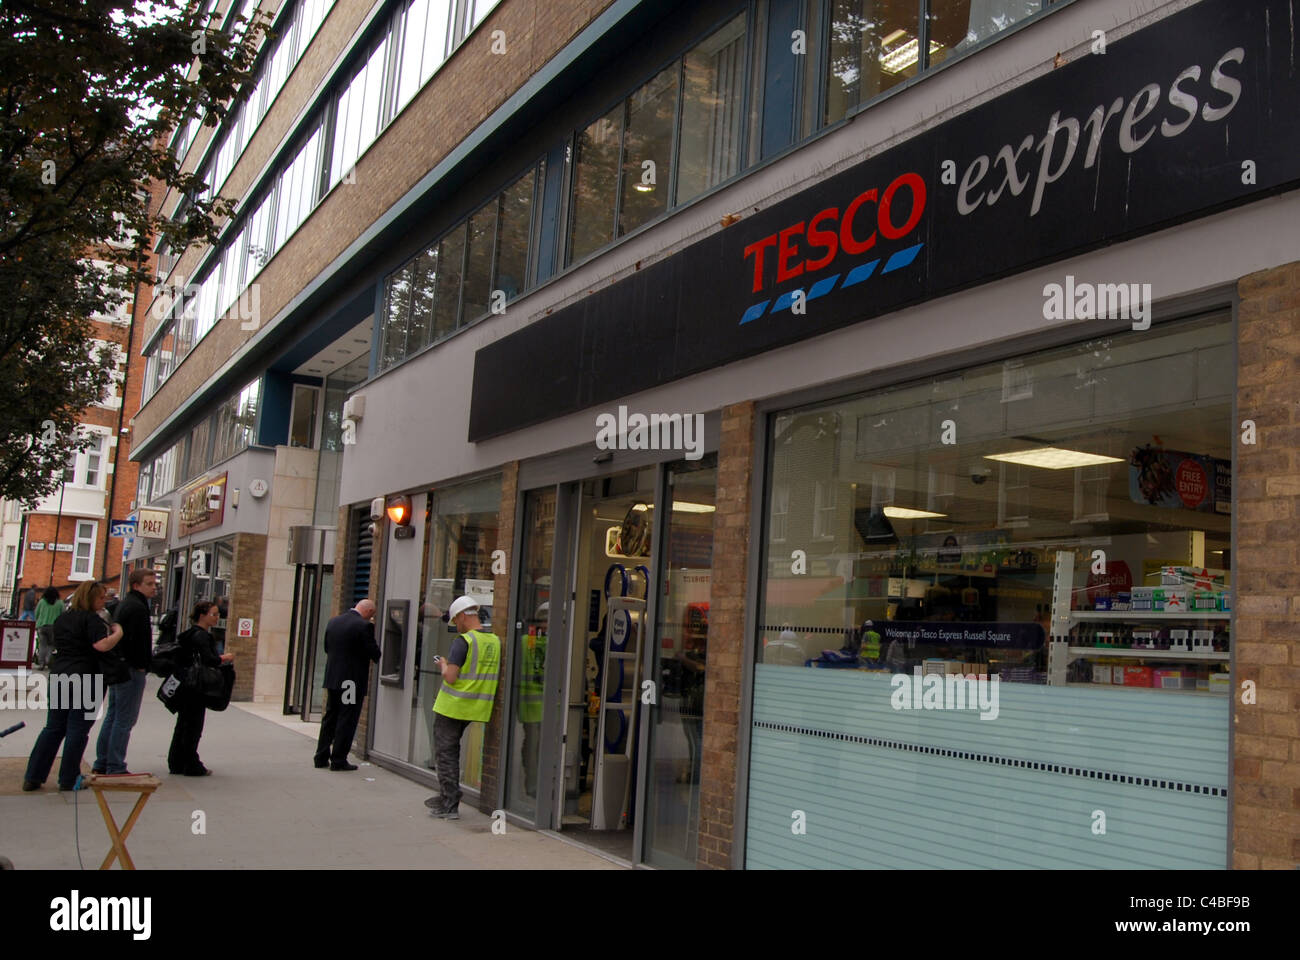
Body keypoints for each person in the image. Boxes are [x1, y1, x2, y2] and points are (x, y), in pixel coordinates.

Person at [22, 581, 124, 791]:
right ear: (90, 599)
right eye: (100, 597)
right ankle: (68, 778)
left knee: (53, 727)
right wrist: (118, 633)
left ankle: (34, 775)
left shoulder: (62, 619)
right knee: (77, 729)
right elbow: (101, 645)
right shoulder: (92, 621)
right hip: (86, 677)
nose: (104, 601)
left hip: (60, 675)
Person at [423, 596, 500, 820]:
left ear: (462, 616)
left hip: (453, 706)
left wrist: (443, 664)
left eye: (456, 621)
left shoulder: (463, 641)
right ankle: (449, 797)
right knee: (452, 751)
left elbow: (451, 677)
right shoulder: (494, 641)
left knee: (445, 754)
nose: (456, 625)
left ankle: (449, 802)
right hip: (478, 707)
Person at [92, 568, 158, 775]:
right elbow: (137, 641)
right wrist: (141, 664)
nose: (154, 587)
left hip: (120, 668)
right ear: (137, 585)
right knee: (125, 719)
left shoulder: (125, 605)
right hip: (130, 669)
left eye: (154, 583)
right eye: (149, 583)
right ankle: (115, 764)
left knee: (114, 715)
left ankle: (103, 762)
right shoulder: (137, 607)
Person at [168, 600, 234, 776]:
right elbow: (209, 660)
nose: (216, 618)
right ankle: (190, 763)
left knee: (183, 723)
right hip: (196, 687)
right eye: (213, 614)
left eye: (218, 614)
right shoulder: (203, 636)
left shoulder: (188, 634)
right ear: (202, 615)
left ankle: (176, 761)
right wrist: (225, 658)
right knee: (193, 726)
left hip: (185, 684)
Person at [314, 599, 379, 771]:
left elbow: (327, 648)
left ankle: (320, 756)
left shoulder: (334, 621)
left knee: (330, 716)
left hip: (333, 678)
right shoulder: (364, 626)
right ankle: (338, 759)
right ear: (369, 611)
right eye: (372, 615)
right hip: (350, 682)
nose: (371, 618)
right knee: (346, 718)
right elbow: (374, 653)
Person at [33, 587, 61, 669]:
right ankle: (48, 659)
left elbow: (36, 613)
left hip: (42, 626)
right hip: (54, 627)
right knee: (51, 645)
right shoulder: (60, 603)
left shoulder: (42, 602)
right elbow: (63, 614)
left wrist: (38, 621)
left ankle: (41, 663)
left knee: (42, 645)